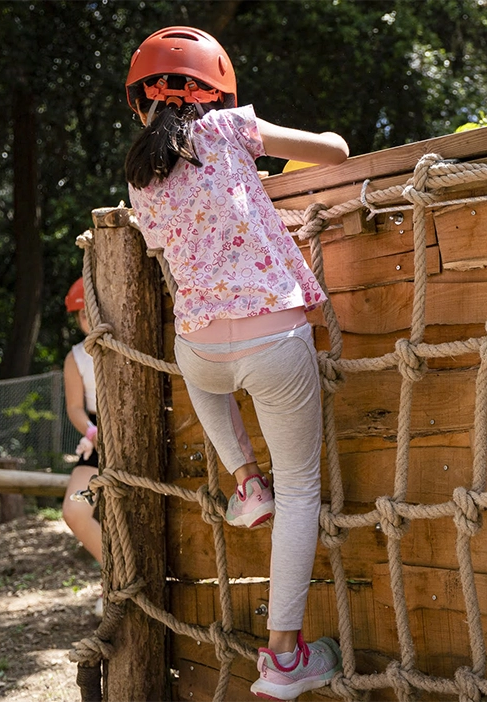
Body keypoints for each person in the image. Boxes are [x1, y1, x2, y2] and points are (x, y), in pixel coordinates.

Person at [124, 27, 349, 700]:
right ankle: (284, 658)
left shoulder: (142, 175)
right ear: (216, 91)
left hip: (201, 349)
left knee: (202, 373)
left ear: (141, 103)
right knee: (304, 487)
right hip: (272, 339)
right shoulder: (229, 129)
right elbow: (335, 149)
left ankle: (246, 482)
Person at [61, 278, 104, 614]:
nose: (89, 320)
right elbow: (75, 408)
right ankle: (115, 574)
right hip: (96, 446)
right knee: (76, 509)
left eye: (94, 312)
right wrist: (91, 433)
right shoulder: (75, 357)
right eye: (83, 315)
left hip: (138, 441)